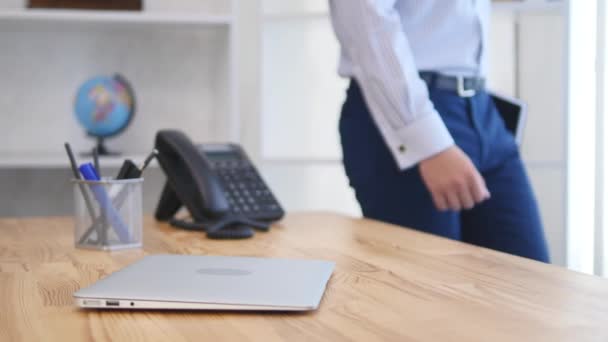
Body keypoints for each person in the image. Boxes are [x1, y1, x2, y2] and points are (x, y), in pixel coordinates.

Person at [329, 0, 550, 262]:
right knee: (427, 290)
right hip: (408, 107)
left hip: (480, 107)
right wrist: (428, 144)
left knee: (527, 282)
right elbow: (366, 20)